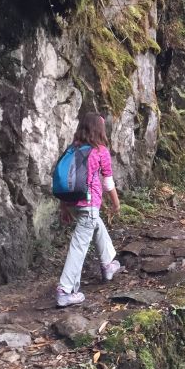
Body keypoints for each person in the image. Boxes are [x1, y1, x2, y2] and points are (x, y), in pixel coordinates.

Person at [56, 112, 121, 307]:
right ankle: (65, 290)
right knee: (79, 246)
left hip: (74, 204)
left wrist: (64, 206)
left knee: (96, 225)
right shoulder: (100, 150)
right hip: (89, 204)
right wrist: (116, 204)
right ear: (98, 129)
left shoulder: (72, 149)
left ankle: (108, 264)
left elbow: (64, 180)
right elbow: (108, 183)